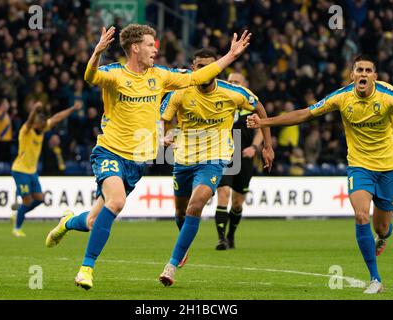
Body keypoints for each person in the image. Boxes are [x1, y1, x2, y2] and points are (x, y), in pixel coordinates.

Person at [45, 24, 252, 291]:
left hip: (137, 161)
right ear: (135, 47)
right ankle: (86, 268)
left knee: (94, 220)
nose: (155, 50)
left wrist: (230, 57)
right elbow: (90, 76)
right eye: (149, 45)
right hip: (110, 151)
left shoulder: (161, 76)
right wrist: (96, 53)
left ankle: (67, 222)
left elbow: (198, 77)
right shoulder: (115, 74)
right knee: (117, 202)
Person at [247, 54, 393, 294]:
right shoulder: (341, 97)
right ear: (352, 75)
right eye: (359, 70)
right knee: (361, 216)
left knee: (382, 227)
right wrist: (266, 122)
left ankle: (384, 235)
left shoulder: (388, 97)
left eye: (368, 70)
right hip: (360, 165)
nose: (363, 74)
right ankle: (375, 279)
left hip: (389, 166)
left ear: (375, 76)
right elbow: (305, 114)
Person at [158, 48, 274, 287]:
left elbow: (259, 107)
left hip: (215, 158)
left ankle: (171, 265)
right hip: (184, 158)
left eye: (210, 66)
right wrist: (168, 134)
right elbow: (165, 118)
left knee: (195, 205)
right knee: (180, 213)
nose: (205, 71)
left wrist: (267, 146)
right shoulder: (180, 92)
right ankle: (184, 246)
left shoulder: (233, 93)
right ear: (193, 69)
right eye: (200, 66)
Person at [214, 72, 272, 251]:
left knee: (238, 202)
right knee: (223, 194)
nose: (232, 84)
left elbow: (261, 128)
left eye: (236, 82)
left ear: (245, 84)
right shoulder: (220, 103)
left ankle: (231, 235)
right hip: (224, 156)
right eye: (230, 81)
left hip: (244, 158)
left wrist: (254, 147)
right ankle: (221, 239)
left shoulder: (252, 106)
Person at [10, 100, 82, 237]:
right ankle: (17, 228)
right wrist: (34, 110)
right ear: (36, 123)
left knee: (39, 198)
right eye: (42, 125)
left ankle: (18, 212)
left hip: (32, 171)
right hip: (20, 170)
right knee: (27, 201)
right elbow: (30, 120)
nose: (44, 127)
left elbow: (57, 118)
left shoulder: (41, 129)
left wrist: (73, 108)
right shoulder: (26, 130)